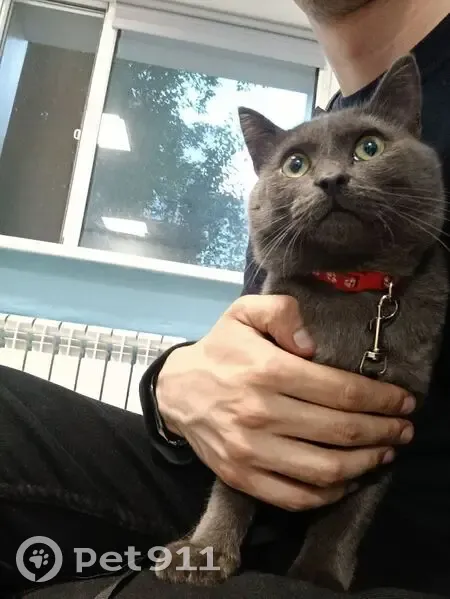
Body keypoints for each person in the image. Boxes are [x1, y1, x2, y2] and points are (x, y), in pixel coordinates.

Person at [2, 0, 450, 597]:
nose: (330, 175)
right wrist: (171, 388)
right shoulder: (312, 159)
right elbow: (243, 380)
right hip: (244, 506)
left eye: (367, 149)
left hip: (401, 554)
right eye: (296, 164)